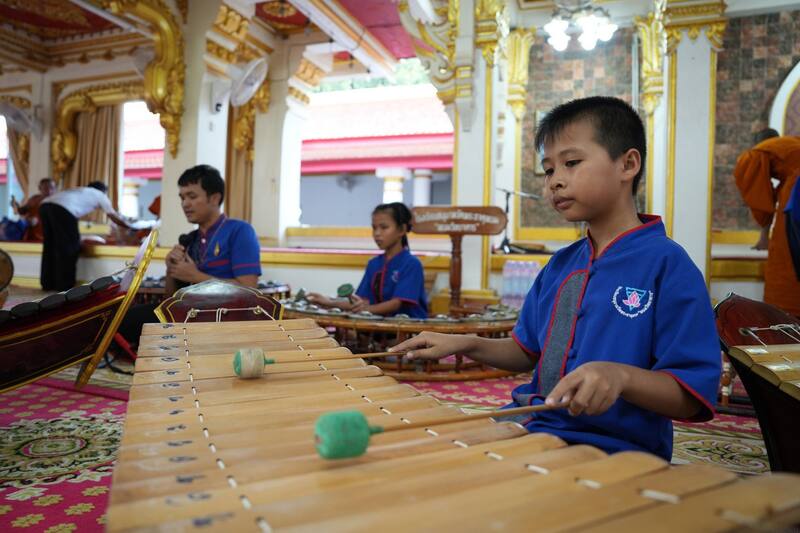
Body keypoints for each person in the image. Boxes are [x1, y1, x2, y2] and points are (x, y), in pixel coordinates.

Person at [391, 96, 721, 461]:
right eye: (549, 170)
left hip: (612, 447)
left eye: (572, 163)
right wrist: (464, 343)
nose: (555, 182)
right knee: (429, 455)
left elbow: (692, 394)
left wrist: (620, 377)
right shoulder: (561, 265)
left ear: (628, 164)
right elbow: (526, 351)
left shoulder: (668, 265)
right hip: (535, 423)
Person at [116, 164, 262, 347]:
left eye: (192, 196)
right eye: (182, 197)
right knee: (119, 319)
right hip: (190, 313)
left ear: (215, 198)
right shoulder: (190, 239)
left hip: (223, 317)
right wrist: (172, 270)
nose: (185, 204)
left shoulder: (239, 231)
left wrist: (196, 277)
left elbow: (250, 291)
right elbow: (172, 298)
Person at [308, 202, 428, 319]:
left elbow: (395, 304)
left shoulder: (411, 264)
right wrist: (328, 301)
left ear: (402, 229)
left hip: (408, 332)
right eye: (374, 228)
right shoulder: (374, 264)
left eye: (384, 227)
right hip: (379, 330)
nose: (377, 233)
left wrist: (365, 310)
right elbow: (361, 302)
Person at [733, 128, 800, 316]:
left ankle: (785, 313)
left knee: (786, 258)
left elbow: (759, 199)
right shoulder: (789, 145)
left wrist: (764, 236)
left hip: (797, 189)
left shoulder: (756, 153)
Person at [39, 181, 133, 291]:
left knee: (49, 247)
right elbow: (112, 215)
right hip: (63, 210)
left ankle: (47, 284)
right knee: (69, 248)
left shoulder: (80, 190)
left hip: (44, 206)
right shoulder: (100, 194)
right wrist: (129, 226)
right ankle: (64, 286)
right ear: (103, 191)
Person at [11, 177, 57, 241]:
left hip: (51, 236)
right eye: (45, 188)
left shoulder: (59, 202)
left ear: (55, 189)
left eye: (52, 188)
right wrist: (16, 207)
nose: (49, 191)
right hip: (32, 234)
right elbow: (23, 211)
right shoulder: (34, 199)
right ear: (40, 188)